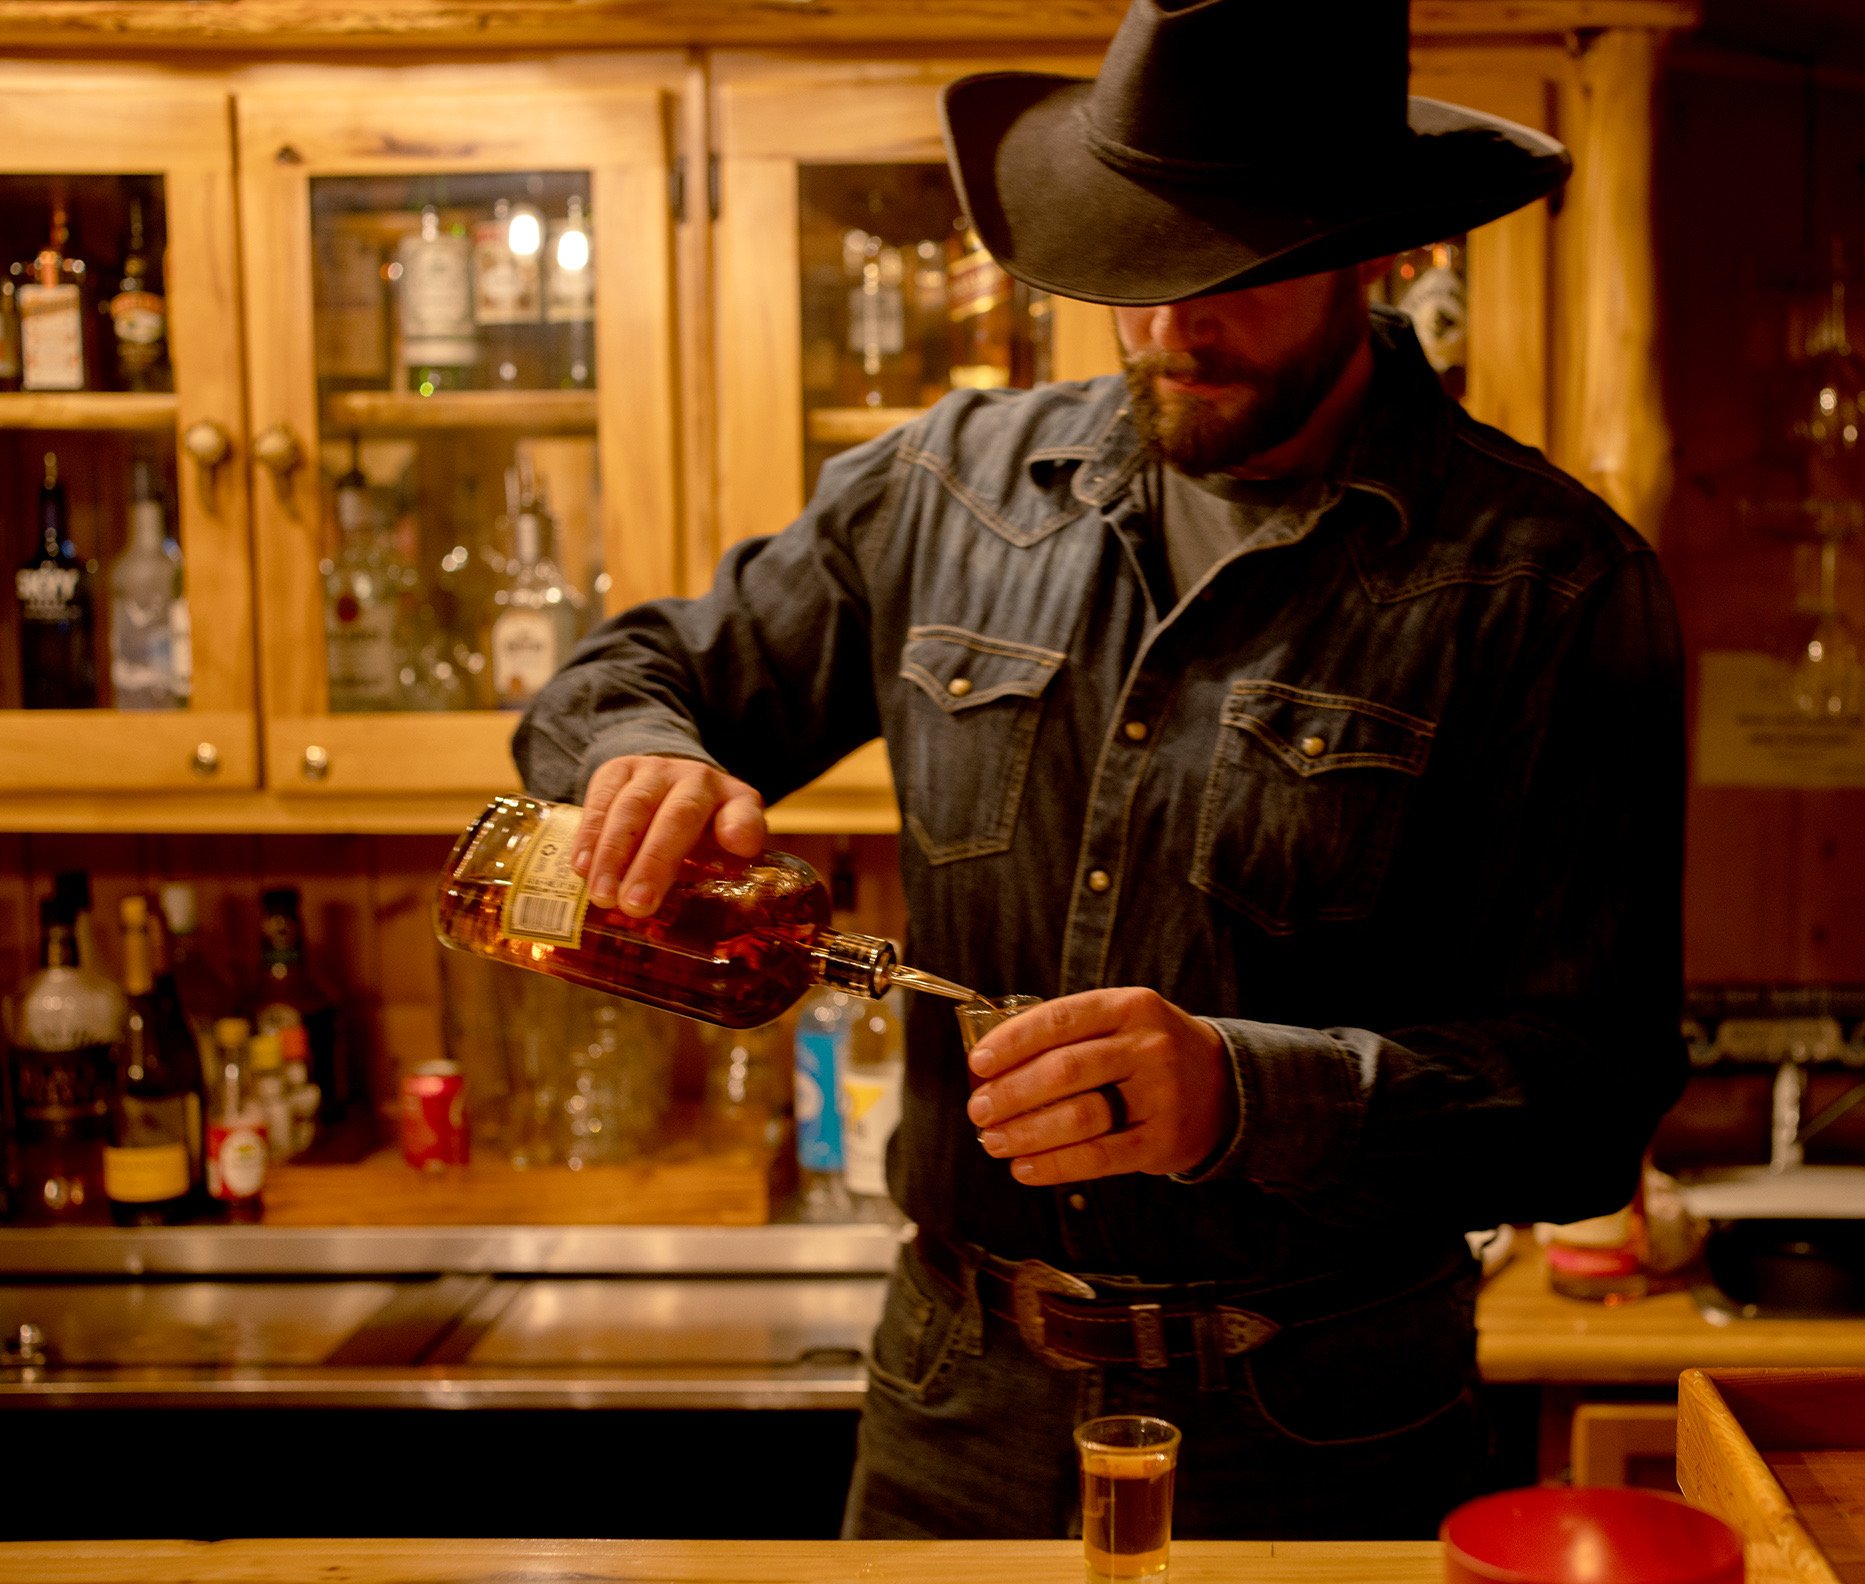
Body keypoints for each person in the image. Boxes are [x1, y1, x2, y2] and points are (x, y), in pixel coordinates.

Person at [517, 0, 1687, 1541]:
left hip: (1321, 1423)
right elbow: (615, 685)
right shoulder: (947, 488)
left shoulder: (1547, 587)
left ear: (1372, 251)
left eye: (1239, 269)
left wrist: (1246, 1099)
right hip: (957, 1392)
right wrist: (646, 756)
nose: (1172, 326)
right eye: (1133, 266)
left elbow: (1591, 1099)